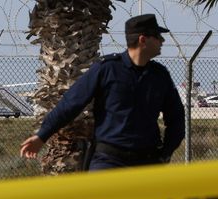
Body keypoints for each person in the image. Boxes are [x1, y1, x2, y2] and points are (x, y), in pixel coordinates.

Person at [20, 14, 185, 171]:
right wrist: (42, 136)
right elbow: (71, 103)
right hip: (109, 160)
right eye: (158, 36)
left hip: (147, 161)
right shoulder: (107, 69)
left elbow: (176, 118)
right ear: (143, 40)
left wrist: (165, 154)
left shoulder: (159, 75)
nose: (162, 41)